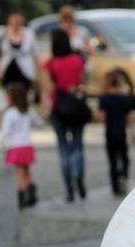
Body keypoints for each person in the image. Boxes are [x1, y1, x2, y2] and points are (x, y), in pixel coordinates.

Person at [41, 29, 87, 202]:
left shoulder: (50, 64)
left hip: (58, 109)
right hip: (76, 107)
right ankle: (80, 178)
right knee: (78, 146)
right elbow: (83, 83)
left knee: (63, 150)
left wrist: (44, 108)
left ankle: (69, 190)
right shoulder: (78, 60)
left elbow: (49, 89)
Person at [0, 83, 42, 209]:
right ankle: (32, 192)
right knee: (26, 170)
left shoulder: (10, 113)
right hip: (27, 145)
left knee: (18, 173)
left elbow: (4, 132)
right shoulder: (28, 111)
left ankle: (20, 196)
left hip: (15, 146)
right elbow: (39, 123)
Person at [97, 71, 135, 196]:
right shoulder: (124, 98)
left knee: (112, 160)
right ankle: (123, 175)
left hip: (109, 133)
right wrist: (133, 132)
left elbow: (100, 117)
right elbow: (129, 117)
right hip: (121, 133)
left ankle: (115, 186)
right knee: (124, 158)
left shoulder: (104, 98)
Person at [0, 12, 38, 98]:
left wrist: (36, 72)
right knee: (10, 95)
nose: (16, 21)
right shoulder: (1, 32)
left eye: (18, 19)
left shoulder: (28, 33)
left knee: (23, 95)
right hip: (7, 69)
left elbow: (35, 54)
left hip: (25, 71)